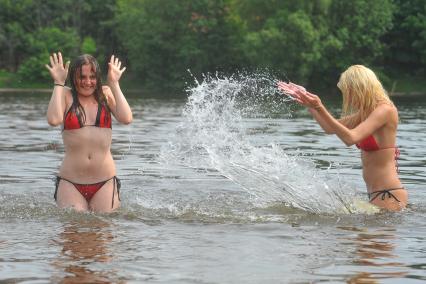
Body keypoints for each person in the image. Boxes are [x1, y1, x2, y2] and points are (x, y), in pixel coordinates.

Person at [277, 65, 408, 211]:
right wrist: (309, 104)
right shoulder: (366, 112)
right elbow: (329, 128)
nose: (349, 99)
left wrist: (320, 107)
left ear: (359, 88)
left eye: (348, 93)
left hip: (388, 195)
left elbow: (350, 138)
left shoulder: (385, 110)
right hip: (376, 195)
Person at [46, 52, 132, 213]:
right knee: (74, 231)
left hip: (105, 181)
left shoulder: (105, 94)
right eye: (82, 77)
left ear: (98, 77)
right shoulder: (65, 95)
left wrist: (114, 83)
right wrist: (58, 83)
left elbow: (126, 118)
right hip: (70, 182)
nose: (87, 82)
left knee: (104, 229)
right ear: (73, 77)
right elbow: (54, 120)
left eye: (92, 77)